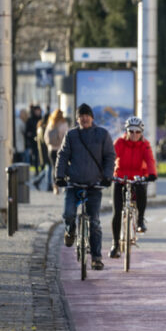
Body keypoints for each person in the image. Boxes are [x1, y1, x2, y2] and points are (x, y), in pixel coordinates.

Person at [55, 103, 116, 270]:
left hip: (94, 185)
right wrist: (59, 176)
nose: (84, 118)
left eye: (87, 115)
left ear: (92, 117)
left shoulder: (102, 134)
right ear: (77, 118)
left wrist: (107, 177)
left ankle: (96, 257)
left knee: (94, 222)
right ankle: (70, 230)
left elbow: (110, 157)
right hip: (74, 183)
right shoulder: (72, 135)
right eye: (81, 115)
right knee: (68, 214)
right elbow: (62, 156)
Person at [109, 117, 158, 258]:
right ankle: (115, 244)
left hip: (137, 179)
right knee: (117, 211)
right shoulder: (119, 143)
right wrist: (107, 173)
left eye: (138, 132)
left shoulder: (145, 145)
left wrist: (152, 174)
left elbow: (150, 160)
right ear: (126, 131)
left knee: (142, 189)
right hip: (120, 178)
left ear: (141, 132)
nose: (134, 134)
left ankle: (141, 220)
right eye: (131, 131)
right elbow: (111, 157)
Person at [44, 109, 69, 194]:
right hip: (60, 149)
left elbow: (46, 137)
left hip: (51, 150)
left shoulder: (51, 123)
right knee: (62, 167)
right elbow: (66, 137)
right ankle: (63, 186)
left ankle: (55, 186)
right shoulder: (64, 124)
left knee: (54, 168)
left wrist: (49, 145)